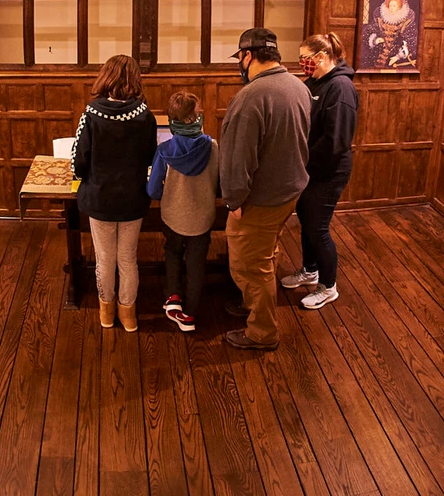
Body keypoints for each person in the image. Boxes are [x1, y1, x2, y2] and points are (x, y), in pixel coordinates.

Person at [220, 28, 311, 351]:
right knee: (266, 253)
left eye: (240, 58)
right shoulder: (297, 86)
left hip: (260, 198)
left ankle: (262, 331)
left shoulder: (250, 98)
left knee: (247, 265)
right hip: (290, 191)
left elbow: (236, 160)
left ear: (248, 56)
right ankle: (251, 304)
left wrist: (234, 200)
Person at [70, 55, 157, 332]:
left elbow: (79, 160)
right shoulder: (145, 115)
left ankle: (106, 312)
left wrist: (87, 177)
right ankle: (128, 314)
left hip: (100, 198)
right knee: (128, 258)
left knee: (105, 259)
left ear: (105, 76)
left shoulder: (92, 114)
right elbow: (150, 156)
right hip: (132, 197)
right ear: (135, 79)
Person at [282, 33, 358, 310]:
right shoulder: (315, 82)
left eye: (305, 59)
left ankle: (328, 286)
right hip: (310, 167)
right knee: (306, 218)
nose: (302, 64)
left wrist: (305, 160)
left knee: (318, 227)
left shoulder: (341, 88)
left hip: (329, 170)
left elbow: (336, 141)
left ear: (322, 57)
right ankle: (309, 270)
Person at [147, 91, 218, 333]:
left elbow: (154, 190)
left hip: (173, 217)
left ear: (171, 122)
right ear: (198, 118)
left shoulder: (164, 150)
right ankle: (190, 313)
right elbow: (220, 184)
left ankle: (172, 296)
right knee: (197, 262)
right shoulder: (214, 148)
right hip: (203, 217)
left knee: (173, 252)